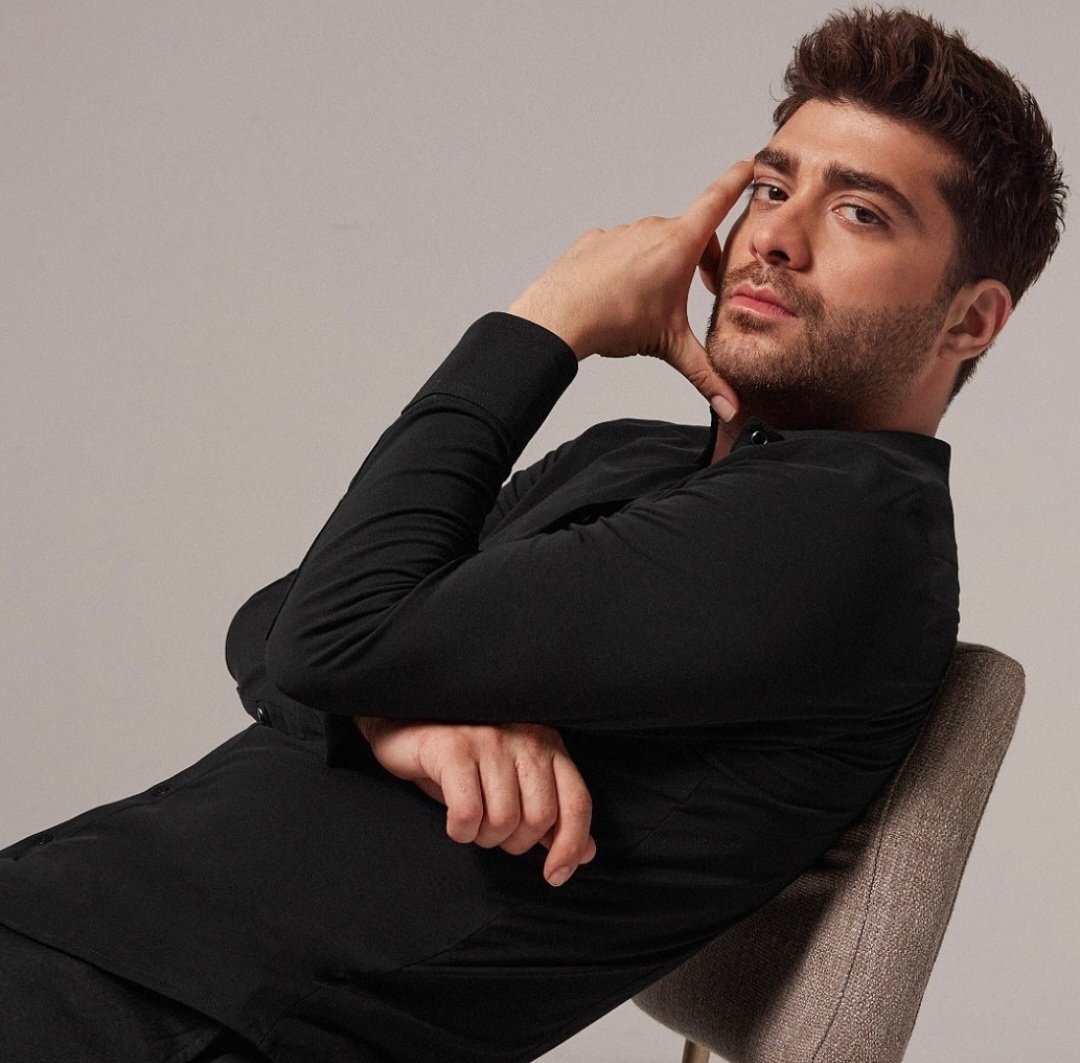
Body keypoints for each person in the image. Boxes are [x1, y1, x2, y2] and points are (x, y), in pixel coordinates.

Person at [0, 7, 1066, 1063]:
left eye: (861, 213)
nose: (775, 237)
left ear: (970, 319)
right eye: (773, 187)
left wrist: (547, 319)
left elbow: (323, 637)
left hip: (177, 1016)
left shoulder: (845, 536)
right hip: (71, 935)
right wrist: (401, 724)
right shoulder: (633, 456)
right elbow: (275, 621)